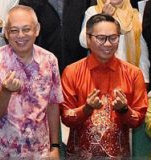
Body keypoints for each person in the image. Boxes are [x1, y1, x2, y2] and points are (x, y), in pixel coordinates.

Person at [0, 5, 62, 159]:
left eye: (26, 29)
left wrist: (55, 146)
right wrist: (5, 92)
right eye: (14, 30)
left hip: (39, 152)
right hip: (0, 152)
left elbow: (53, 105)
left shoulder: (50, 60)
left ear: (37, 30)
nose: (21, 35)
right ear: (6, 33)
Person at [62, 13, 148, 158]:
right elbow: (66, 117)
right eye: (101, 38)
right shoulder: (72, 72)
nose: (108, 44)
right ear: (88, 39)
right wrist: (86, 109)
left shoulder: (133, 73)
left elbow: (138, 120)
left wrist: (124, 110)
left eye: (113, 38)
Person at [79, 0, 150, 82]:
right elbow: (84, 41)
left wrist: (144, 78)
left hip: (130, 76)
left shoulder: (135, 15)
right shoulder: (93, 11)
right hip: (100, 76)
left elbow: (142, 51)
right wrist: (103, 17)